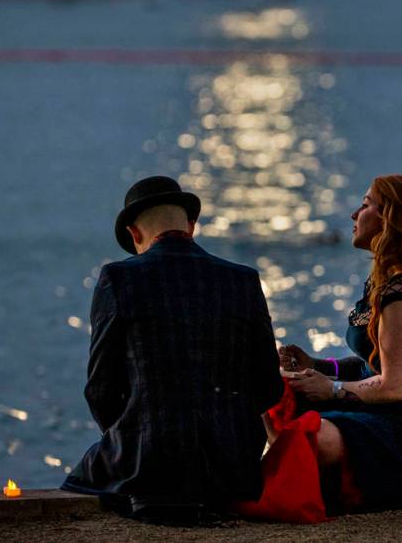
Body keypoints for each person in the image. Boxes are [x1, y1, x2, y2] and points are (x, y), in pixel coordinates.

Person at [62, 176, 283, 523]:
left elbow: (100, 389)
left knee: (76, 483)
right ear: (191, 226)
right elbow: (269, 386)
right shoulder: (243, 280)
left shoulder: (118, 279)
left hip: (148, 465)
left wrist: (131, 435)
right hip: (232, 469)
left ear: (135, 234)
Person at [277, 174, 402, 509]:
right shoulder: (385, 282)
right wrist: (317, 366)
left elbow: (395, 386)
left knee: (310, 435)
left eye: (366, 204)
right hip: (388, 414)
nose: (355, 215)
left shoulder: (399, 295)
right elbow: (373, 363)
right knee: (277, 392)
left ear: (391, 218)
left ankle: (307, 487)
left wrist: (331, 389)